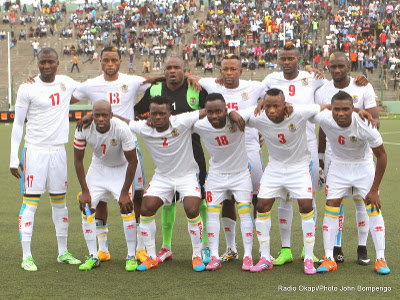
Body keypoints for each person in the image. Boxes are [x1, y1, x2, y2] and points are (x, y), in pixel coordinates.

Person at [72, 46, 161, 265]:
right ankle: (101, 250)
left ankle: (139, 249)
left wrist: (188, 77)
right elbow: (67, 97)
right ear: (100, 61)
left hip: (128, 147)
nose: (110, 64)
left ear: (120, 61)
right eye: (106, 60)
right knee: (98, 199)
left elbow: (156, 79)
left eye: (114, 60)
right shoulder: (91, 85)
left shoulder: (131, 81)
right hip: (102, 152)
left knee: (136, 197)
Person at [190, 54, 266, 262]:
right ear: (220, 71)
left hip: (250, 146)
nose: (229, 73)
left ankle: (261, 248)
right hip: (225, 151)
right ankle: (232, 249)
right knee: (227, 200)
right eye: (225, 69)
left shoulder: (254, 86)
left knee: (257, 199)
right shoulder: (212, 85)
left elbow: (276, 93)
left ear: (240, 71)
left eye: (233, 69)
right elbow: (190, 77)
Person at [10, 48, 80, 271]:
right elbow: (18, 124)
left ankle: (63, 252)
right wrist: (14, 157)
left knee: (60, 203)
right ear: (37, 63)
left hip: (59, 151)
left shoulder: (66, 83)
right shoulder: (27, 87)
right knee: (30, 203)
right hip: (35, 151)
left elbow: (93, 90)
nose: (46, 66)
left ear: (58, 63)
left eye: (50, 62)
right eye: (42, 62)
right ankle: (27, 256)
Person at [245, 89, 330, 274]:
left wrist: (359, 111)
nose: (272, 110)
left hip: (299, 167)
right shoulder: (258, 116)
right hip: (275, 167)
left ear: (285, 105)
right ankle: (265, 257)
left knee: (306, 206)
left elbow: (328, 107)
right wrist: (252, 108)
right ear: (263, 105)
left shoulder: (299, 112)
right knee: (262, 205)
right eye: (268, 106)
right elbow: (233, 115)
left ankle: (308, 257)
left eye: (276, 105)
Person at [134, 57, 210, 264]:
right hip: (167, 155)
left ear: (185, 71)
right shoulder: (155, 90)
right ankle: (166, 247)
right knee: (168, 200)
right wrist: (146, 118)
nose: (173, 71)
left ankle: (204, 247)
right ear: (164, 71)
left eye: (177, 67)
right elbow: (137, 111)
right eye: (169, 68)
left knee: (198, 199)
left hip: (192, 149)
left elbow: (212, 110)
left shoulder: (196, 88)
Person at [124, 96, 208, 272]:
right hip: (163, 177)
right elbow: (124, 121)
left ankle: (197, 255)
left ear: (170, 113)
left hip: (187, 175)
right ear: (149, 114)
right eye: (154, 113)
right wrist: (92, 116)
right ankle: (152, 257)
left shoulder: (181, 121)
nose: (158, 117)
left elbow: (209, 111)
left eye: (162, 113)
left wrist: (232, 112)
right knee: (146, 208)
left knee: (192, 208)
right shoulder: (144, 128)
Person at [313, 91, 390, 275]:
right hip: (338, 167)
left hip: (362, 167)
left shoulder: (365, 124)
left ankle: (380, 259)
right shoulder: (324, 118)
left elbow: (382, 156)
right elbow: (305, 110)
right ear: (331, 109)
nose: (341, 113)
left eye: (346, 109)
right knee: (331, 207)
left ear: (352, 109)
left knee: (373, 208)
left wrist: (374, 189)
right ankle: (329, 258)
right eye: (336, 109)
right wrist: (354, 108)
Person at [315, 52, 379, 265]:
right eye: (332, 66)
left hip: (361, 154)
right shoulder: (323, 90)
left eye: (341, 66)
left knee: (363, 202)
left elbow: (375, 119)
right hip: (335, 156)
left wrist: (361, 122)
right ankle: (336, 248)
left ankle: (362, 248)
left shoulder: (363, 86)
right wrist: (321, 156)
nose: (337, 70)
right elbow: (324, 127)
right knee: (336, 202)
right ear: (328, 67)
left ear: (348, 66)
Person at [74, 100, 138, 271]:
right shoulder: (83, 128)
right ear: (92, 115)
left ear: (111, 115)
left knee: (127, 207)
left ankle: (131, 255)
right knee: (87, 207)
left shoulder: (122, 129)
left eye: (104, 115)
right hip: (99, 167)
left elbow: (133, 161)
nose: (100, 118)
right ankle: (94, 255)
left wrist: (124, 192)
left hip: (121, 168)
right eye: (97, 115)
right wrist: (85, 191)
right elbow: (78, 160)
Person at [193, 93, 253, 271]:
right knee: (212, 213)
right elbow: (178, 122)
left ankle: (248, 256)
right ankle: (214, 256)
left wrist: (234, 111)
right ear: (205, 112)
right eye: (210, 112)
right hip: (216, 175)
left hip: (240, 174)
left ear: (226, 110)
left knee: (244, 211)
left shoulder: (238, 118)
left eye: (219, 111)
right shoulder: (200, 124)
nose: (214, 116)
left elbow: (261, 107)